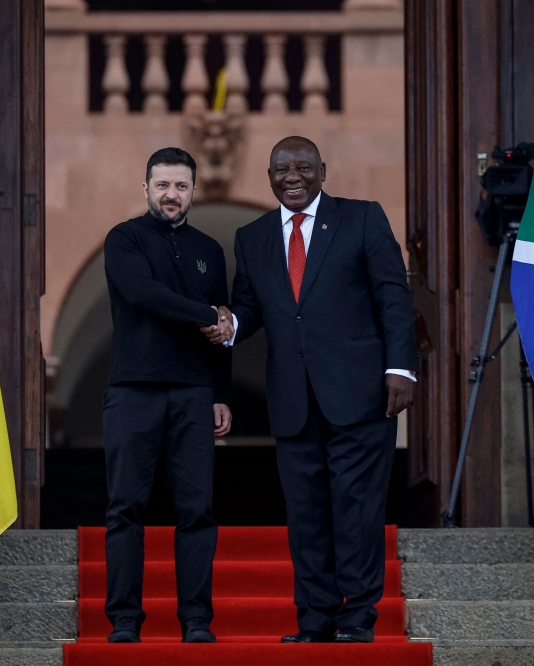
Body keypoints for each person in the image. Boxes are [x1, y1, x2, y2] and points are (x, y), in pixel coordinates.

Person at [211, 136, 418, 644]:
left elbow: (393, 296)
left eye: (304, 167)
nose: (293, 177)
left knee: (357, 509)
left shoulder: (362, 217)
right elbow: (251, 307)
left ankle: (357, 620)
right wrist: (231, 325)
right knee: (305, 516)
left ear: (323, 170)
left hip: (360, 395)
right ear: (269, 176)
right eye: (282, 169)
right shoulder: (252, 236)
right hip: (293, 402)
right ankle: (315, 621)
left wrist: (402, 369)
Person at [102, 147, 236, 644]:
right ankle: (124, 621)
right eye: (162, 185)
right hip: (132, 391)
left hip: (194, 394)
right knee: (125, 507)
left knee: (197, 509)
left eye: (181, 186)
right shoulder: (124, 238)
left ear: (194, 191)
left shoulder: (209, 249)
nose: (171, 195)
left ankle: (197, 621)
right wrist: (206, 314)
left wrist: (221, 393)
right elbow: (143, 294)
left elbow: (222, 332)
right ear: (146, 189)